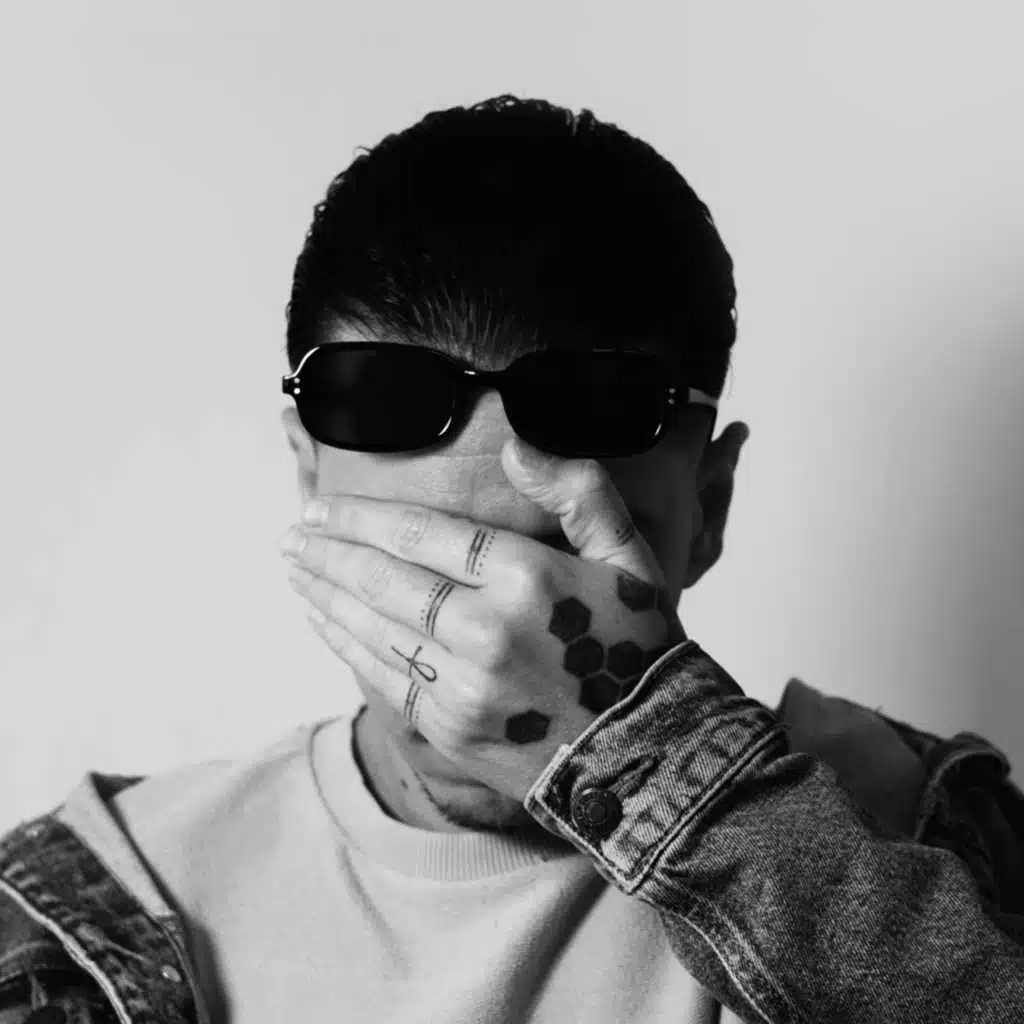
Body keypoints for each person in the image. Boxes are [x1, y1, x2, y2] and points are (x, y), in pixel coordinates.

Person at [1, 95, 1022, 1024]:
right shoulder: (108, 902)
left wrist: (652, 757)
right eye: (429, 572)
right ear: (309, 481)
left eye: (560, 571)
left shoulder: (913, 825)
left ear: (706, 510)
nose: (490, 652)